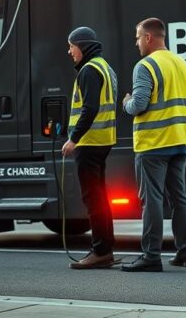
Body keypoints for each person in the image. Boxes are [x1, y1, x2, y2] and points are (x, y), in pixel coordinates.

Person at [120, 17, 186, 272]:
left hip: (153, 142)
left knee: (152, 199)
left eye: (137, 37)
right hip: (180, 140)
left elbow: (139, 104)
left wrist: (126, 102)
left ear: (148, 37)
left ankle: (151, 256)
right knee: (179, 197)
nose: (136, 43)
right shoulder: (184, 64)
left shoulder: (145, 65)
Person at [61, 26, 119, 269]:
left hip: (89, 143)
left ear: (82, 46)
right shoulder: (105, 67)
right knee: (100, 197)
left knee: (92, 198)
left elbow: (90, 108)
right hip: (102, 141)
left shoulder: (89, 70)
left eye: (71, 46)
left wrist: (73, 139)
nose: (69, 51)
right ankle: (105, 248)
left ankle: (101, 251)